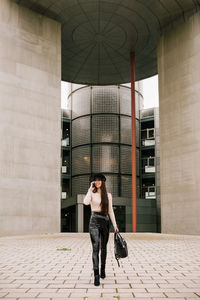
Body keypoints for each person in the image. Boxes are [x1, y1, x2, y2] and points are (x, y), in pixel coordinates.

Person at [83, 173, 119, 286]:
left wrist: (115, 225)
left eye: (99, 180)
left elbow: (110, 211)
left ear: (102, 182)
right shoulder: (92, 194)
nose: (97, 182)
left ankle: (103, 269)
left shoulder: (108, 195)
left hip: (105, 221)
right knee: (95, 248)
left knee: (103, 248)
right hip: (94, 220)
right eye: (95, 180)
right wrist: (89, 190)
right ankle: (96, 275)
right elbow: (85, 202)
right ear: (93, 182)